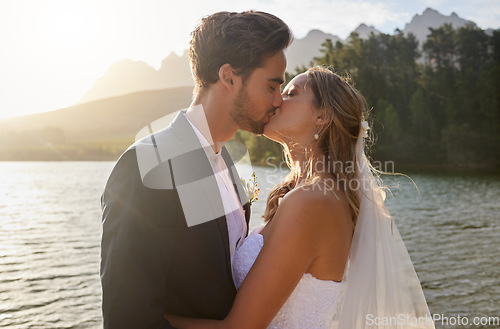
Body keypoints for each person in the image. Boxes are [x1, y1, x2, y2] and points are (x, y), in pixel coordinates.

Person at [165, 67, 434, 329]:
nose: (277, 100)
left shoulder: (313, 201)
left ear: (322, 116)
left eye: (292, 93)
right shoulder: (307, 192)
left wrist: (141, 314)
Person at [100, 11, 292, 329]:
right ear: (229, 77)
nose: (279, 101)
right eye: (272, 86)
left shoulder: (229, 164)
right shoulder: (146, 167)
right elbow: (128, 318)